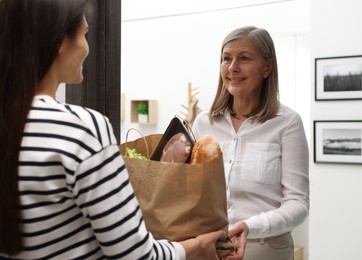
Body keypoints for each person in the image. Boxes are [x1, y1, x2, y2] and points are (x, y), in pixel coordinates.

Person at [0, 0, 225, 259]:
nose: (87, 47)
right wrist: (196, 247)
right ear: (61, 41)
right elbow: (135, 255)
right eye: (84, 34)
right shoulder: (83, 128)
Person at [192, 26, 310, 260]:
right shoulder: (204, 123)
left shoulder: (287, 123)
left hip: (264, 248)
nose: (233, 67)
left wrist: (251, 226)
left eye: (244, 58)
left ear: (267, 68)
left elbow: (298, 203)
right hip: (209, 248)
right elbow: (193, 192)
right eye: (227, 58)